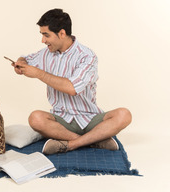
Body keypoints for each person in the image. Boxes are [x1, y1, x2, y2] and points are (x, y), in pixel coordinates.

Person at [12, 8, 132, 155]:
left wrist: (38, 73)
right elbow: (26, 59)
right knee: (35, 118)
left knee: (124, 115)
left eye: (46, 35)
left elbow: (72, 88)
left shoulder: (87, 56)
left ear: (62, 33)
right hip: (61, 120)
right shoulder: (46, 53)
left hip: (90, 118)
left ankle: (72, 144)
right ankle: (93, 141)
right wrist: (20, 63)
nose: (42, 40)